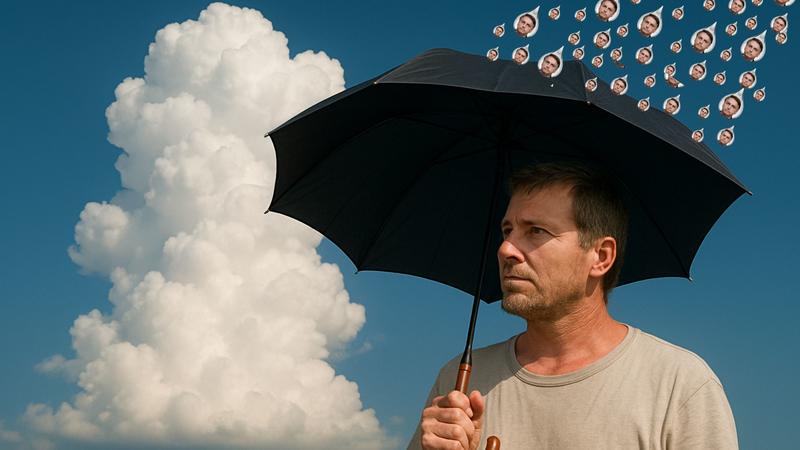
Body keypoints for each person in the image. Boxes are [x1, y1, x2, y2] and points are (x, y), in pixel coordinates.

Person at [408, 162, 738, 450]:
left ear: (601, 256)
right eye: (507, 230)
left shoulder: (679, 384)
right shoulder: (458, 383)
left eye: (535, 231)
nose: (506, 249)